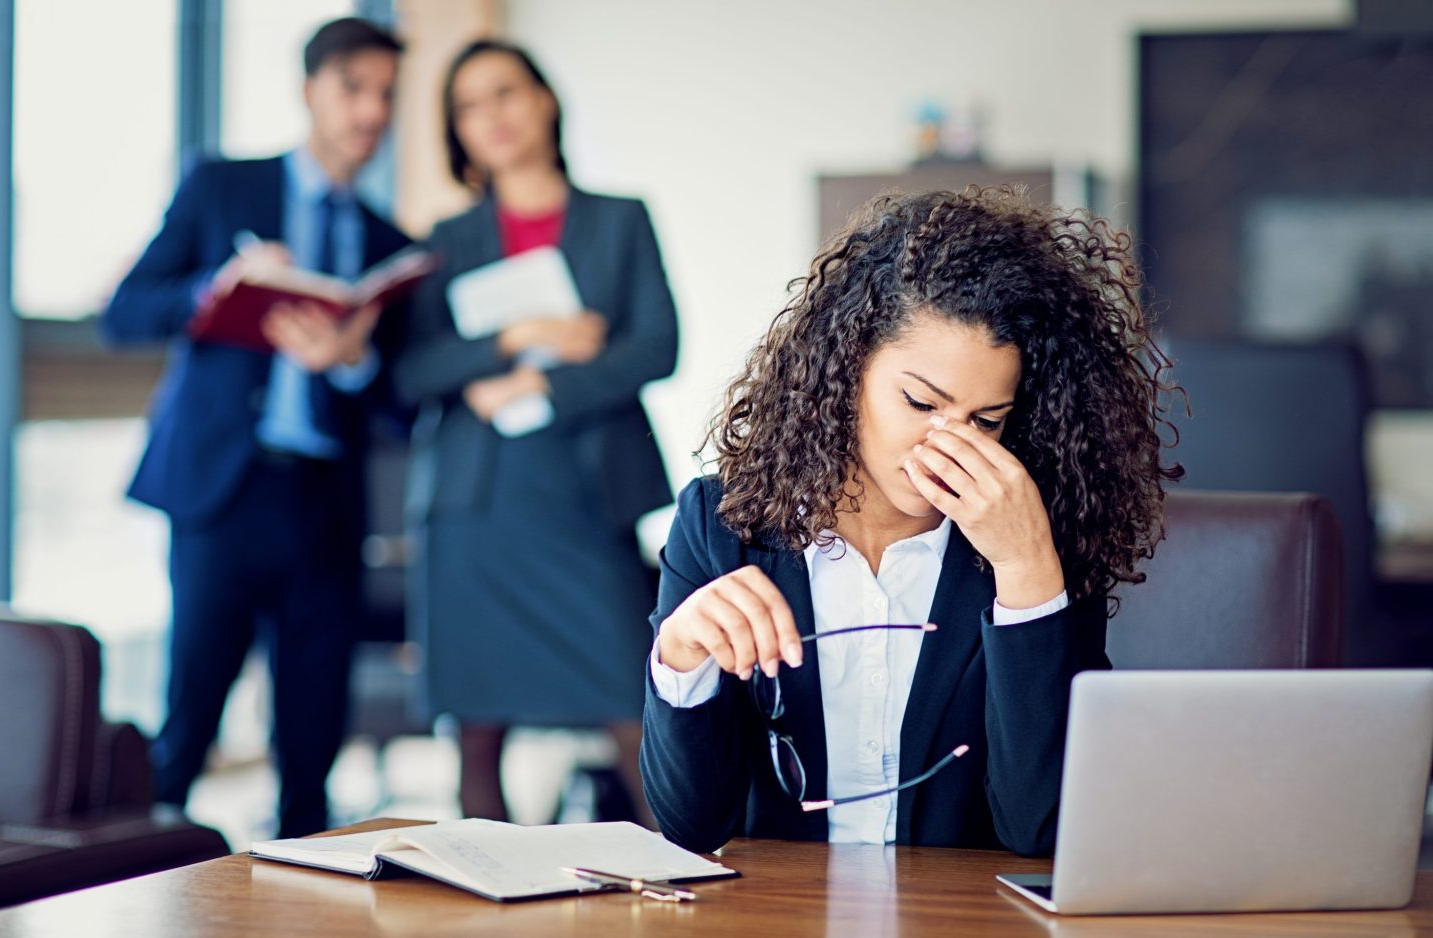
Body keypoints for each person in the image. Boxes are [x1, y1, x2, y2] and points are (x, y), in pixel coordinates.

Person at [641, 187, 1183, 856]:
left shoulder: (1038, 535)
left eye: (986, 422)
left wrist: (1026, 575)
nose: (948, 446)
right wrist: (681, 658)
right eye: (921, 402)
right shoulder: (721, 523)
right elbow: (690, 827)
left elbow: (1041, 830)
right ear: (845, 368)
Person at [100, 18, 410, 838]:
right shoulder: (222, 188)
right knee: (189, 721)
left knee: (311, 744)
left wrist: (351, 361)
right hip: (222, 495)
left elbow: (405, 405)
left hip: (323, 506)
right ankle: (137, 884)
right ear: (310, 89)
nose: (371, 111)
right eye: (354, 88)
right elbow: (124, 311)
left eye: (386, 94)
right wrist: (218, 288)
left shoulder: (389, 246)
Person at [393, 40, 676, 826]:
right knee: (477, 733)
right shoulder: (443, 240)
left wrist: (544, 385)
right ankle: (487, 903)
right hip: (475, 507)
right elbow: (412, 371)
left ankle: (679, 891)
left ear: (545, 99)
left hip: (586, 496)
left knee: (634, 705)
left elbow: (658, 345)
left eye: (506, 93)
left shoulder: (620, 221)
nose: (493, 117)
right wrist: (514, 340)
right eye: (470, 106)